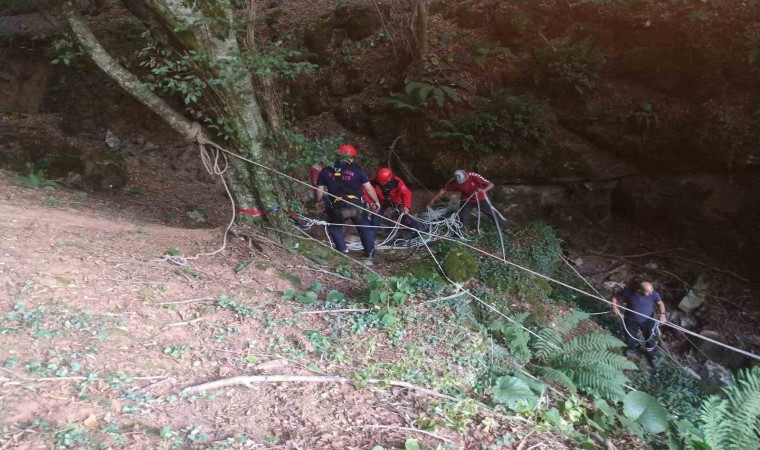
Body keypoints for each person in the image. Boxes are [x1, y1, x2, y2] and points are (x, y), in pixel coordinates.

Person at [315, 144, 381, 258]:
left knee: (335, 227)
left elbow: (319, 193)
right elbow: (369, 189)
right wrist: (376, 202)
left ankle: (343, 250)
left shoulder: (326, 171)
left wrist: (317, 201)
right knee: (365, 228)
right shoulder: (357, 171)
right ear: (350, 158)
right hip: (356, 207)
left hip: (339, 207)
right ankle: (370, 253)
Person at [426, 169, 506, 230]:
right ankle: (460, 233)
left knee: (491, 213)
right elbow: (443, 190)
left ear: (466, 175)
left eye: (463, 181)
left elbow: (491, 184)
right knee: (463, 216)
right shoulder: (454, 181)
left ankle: (502, 227)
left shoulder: (474, 176)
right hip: (467, 200)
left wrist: (483, 190)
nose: (461, 183)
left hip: (481, 199)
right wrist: (433, 200)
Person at [612, 280, 667, 361]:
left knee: (651, 337)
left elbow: (660, 303)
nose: (651, 293)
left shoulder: (654, 294)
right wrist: (614, 307)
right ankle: (632, 349)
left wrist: (662, 314)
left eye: (651, 290)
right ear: (639, 290)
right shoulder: (628, 292)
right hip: (631, 319)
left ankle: (653, 356)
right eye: (648, 292)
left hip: (648, 319)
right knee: (630, 337)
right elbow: (615, 296)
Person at [369, 168, 419, 239]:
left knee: (405, 215)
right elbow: (365, 192)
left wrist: (406, 206)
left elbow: (406, 193)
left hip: (396, 202)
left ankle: (417, 232)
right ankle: (371, 237)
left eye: (381, 182)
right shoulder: (374, 182)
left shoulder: (397, 182)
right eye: (379, 181)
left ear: (388, 180)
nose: (380, 183)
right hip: (382, 202)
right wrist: (371, 202)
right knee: (376, 216)